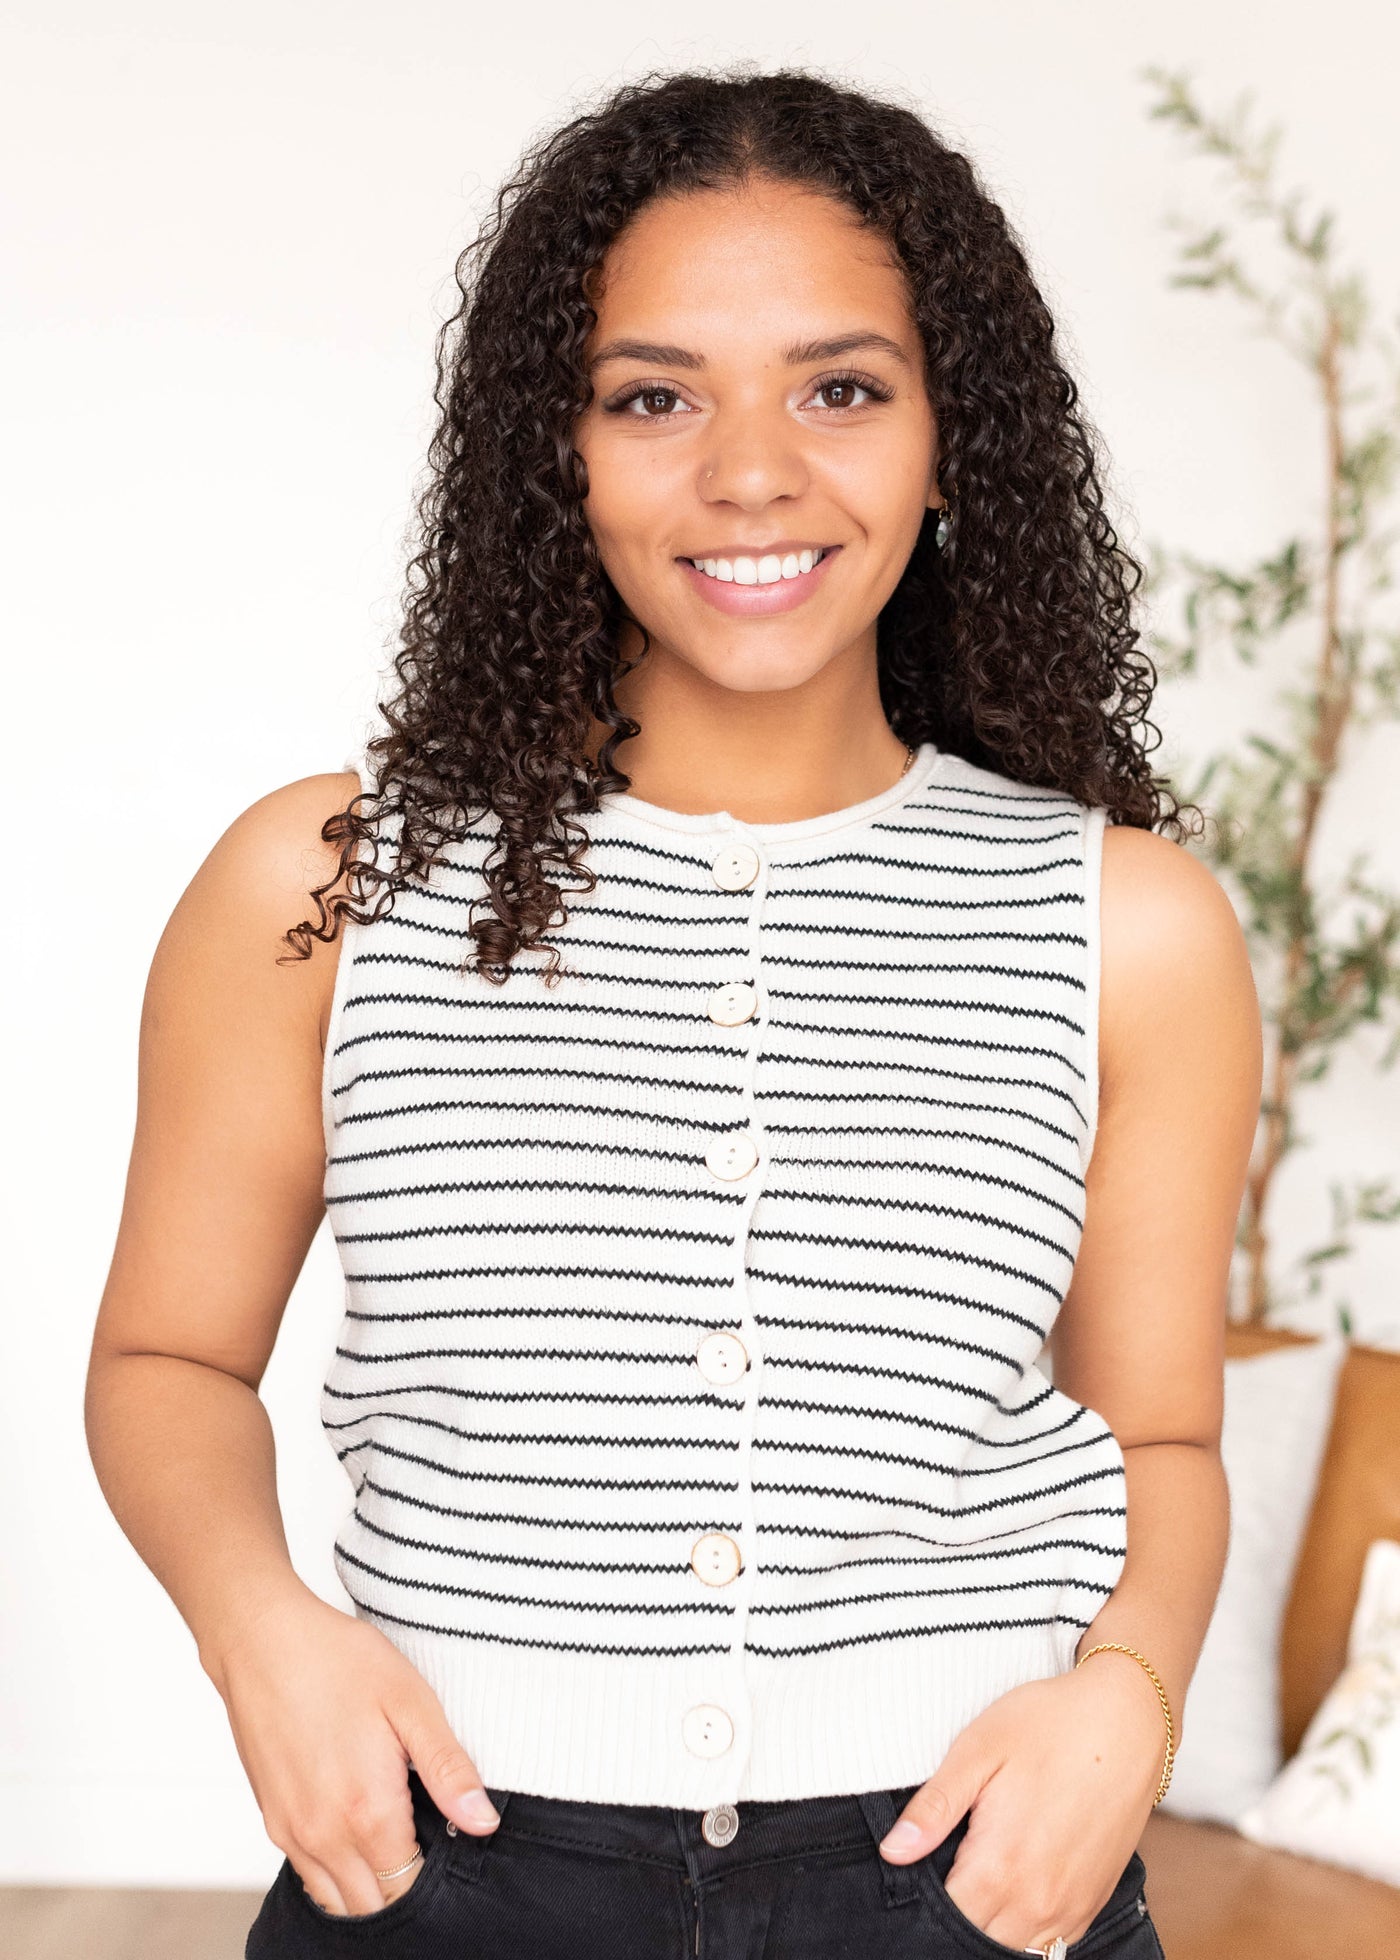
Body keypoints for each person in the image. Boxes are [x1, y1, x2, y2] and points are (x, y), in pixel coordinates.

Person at [85, 65, 1260, 1960]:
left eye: (841, 387)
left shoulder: (1122, 921)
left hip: (963, 1877)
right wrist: (263, 1634)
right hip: (443, 1860)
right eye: (653, 397)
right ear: (555, 448)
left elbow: (1166, 1443)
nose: (750, 473)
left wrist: (1126, 1701)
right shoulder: (326, 885)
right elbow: (165, 1366)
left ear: (955, 435)